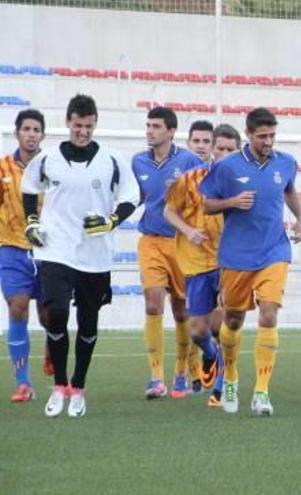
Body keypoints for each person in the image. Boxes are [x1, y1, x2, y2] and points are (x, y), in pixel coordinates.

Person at [22, 94, 139, 417]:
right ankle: (59, 386)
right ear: (68, 123)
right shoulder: (48, 159)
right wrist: (32, 222)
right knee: (56, 312)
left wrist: (111, 221)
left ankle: (78, 387)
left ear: (95, 124)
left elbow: (132, 196)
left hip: (95, 253)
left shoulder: (112, 160)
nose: (83, 132)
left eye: (88, 126)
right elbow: (30, 188)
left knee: (88, 322)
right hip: (56, 248)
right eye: (78, 125)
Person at [200, 107, 301, 415]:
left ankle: (261, 391)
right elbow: (206, 204)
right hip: (236, 256)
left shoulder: (286, 163)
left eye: (272, 135)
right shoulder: (228, 166)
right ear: (248, 135)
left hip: (274, 250)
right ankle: (230, 375)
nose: (268, 141)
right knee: (233, 320)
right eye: (262, 136)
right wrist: (231, 202)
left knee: (269, 313)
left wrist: (300, 219)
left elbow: (289, 190)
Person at [164, 124, 242, 408]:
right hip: (196, 264)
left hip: (230, 264)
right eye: (218, 147)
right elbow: (169, 211)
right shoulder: (189, 180)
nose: (222, 153)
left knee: (222, 325)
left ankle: (222, 385)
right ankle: (210, 356)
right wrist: (187, 231)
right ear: (210, 149)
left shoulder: (244, 183)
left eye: (229, 149)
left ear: (238, 151)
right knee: (198, 330)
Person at [133, 106, 203, 400]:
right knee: (152, 304)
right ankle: (155, 377)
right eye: (148, 125)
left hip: (181, 244)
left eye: (156, 126)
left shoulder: (189, 161)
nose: (150, 131)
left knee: (181, 311)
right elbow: (133, 198)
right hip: (151, 241)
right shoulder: (137, 162)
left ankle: (182, 372)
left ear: (171, 131)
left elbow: (201, 201)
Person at [1, 109, 49, 402]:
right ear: (17, 132)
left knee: (49, 315)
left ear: (42, 135)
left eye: (36, 129)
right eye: (26, 129)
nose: (31, 134)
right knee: (17, 306)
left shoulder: (51, 166)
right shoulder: (3, 168)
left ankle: (50, 347)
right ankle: (23, 383)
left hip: (47, 250)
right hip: (10, 247)